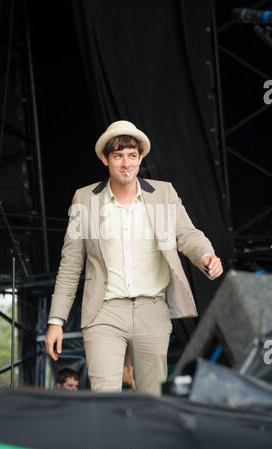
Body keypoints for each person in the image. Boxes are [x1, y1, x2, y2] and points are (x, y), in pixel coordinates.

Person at [45, 120, 223, 396]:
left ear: (140, 158)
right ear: (106, 159)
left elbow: (187, 234)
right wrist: (56, 320)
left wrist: (206, 255)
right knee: (104, 399)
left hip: (152, 309)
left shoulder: (164, 194)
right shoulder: (84, 200)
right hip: (103, 312)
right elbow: (70, 263)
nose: (126, 163)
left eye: (132, 155)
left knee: (153, 401)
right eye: (118, 155)